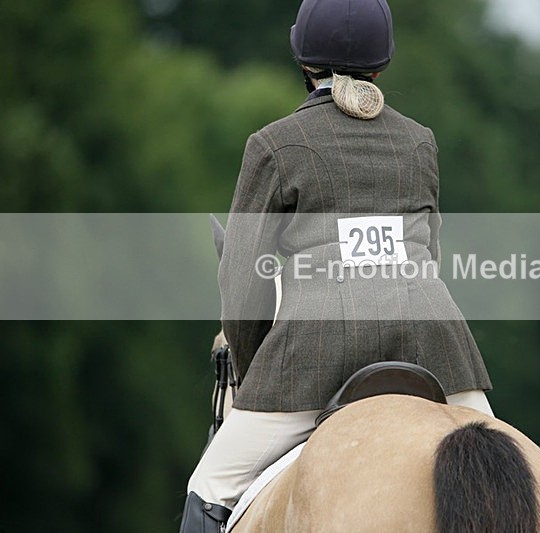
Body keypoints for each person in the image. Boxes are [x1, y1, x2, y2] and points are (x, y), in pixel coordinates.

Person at [180, 0, 492, 530]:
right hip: (436, 345)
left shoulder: (274, 145)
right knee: (508, 469)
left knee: (210, 485)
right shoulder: (420, 143)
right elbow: (429, 259)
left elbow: (242, 282)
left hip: (310, 355)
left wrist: (261, 373)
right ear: (382, 62)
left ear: (304, 60)